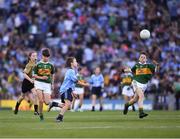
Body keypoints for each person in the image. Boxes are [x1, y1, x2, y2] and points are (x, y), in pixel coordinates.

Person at [48, 57, 89, 122]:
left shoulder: (73, 71)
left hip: (68, 90)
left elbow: (72, 83)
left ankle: (54, 104)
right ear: (71, 63)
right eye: (75, 61)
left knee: (69, 107)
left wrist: (73, 91)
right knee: (67, 104)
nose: (77, 63)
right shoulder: (71, 71)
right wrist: (85, 84)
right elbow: (76, 81)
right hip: (66, 89)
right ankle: (59, 118)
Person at [123, 52, 159, 118]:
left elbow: (156, 71)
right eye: (141, 57)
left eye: (144, 57)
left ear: (146, 59)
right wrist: (124, 70)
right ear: (139, 59)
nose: (142, 58)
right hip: (136, 82)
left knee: (135, 100)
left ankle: (127, 105)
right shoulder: (136, 65)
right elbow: (130, 70)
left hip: (144, 84)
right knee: (141, 96)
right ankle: (141, 112)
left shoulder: (149, 65)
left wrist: (157, 65)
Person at [33, 48, 58, 121]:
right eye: (45, 56)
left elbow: (53, 75)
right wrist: (41, 77)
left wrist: (52, 84)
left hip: (47, 84)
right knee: (40, 100)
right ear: (42, 56)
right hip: (38, 83)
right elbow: (34, 75)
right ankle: (41, 114)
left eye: (48, 57)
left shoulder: (51, 65)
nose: (47, 58)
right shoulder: (37, 64)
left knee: (47, 102)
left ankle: (51, 104)